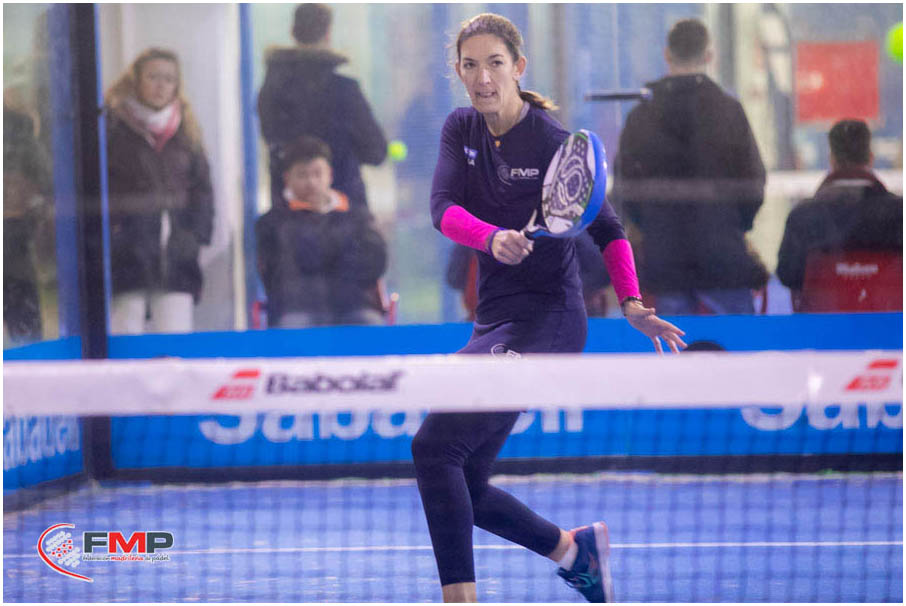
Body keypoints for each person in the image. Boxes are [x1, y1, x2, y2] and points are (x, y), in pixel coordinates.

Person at [414, 13, 687, 603]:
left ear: (518, 66)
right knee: (463, 476)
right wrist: (491, 238)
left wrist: (632, 302)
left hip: (549, 320)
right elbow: (442, 208)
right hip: (495, 320)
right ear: (458, 70)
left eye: (495, 63)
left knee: (434, 447)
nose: (482, 78)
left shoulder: (550, 140)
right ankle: (573, 551)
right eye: (470, 65)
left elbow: (608, 229)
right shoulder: (460, 128)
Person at [613, 18, 768, 315]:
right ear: (709, 55)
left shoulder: (641, 116)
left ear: (667, 55)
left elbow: (624, 189)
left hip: (665, 258)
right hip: (723, 254)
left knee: (672, 341)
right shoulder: (729, 111)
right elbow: (753, 182)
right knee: (736, 342)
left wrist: (650, 227)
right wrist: (734, 224)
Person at [104, 48, 214, 334]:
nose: (161, 86)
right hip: (127, 251)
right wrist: (113, 231)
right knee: (126, 332)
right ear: (136, 80)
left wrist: (195, 235)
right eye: (153, 77)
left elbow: (202, 190)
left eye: (169, 79)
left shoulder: (186, 129)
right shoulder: (112, 127)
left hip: (175, 252)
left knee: (175, 335)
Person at [257, 3, 387, 211]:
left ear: (293, 32)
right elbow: (376, 152)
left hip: (290, 213)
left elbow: (272, 141)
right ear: (328, 34)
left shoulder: (271, 91)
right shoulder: (344, 90)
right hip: (343, 209)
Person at [255, 135, 388, 328]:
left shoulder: (358, 216)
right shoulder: (273, 222)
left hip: (355, 306)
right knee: (293, 330)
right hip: (297, 310)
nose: (311, 182)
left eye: (318, 173)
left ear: (330, 175)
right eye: (302, 175)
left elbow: (375, 262)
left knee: (370, 326)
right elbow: (279, 271)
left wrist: (322, 251)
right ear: (287, 179)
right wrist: (340, 251)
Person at [776, 119, 903, 304]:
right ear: (870, 158)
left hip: (824, 321)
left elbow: (788, 275)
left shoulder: (803, 217)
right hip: (888, 321)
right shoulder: (899, 214)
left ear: (832, 160)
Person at [4, 104, 51, 345]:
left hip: (13, 238)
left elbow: (45, 183)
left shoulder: (16, 127)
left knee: (25, 335)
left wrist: (25, 207)